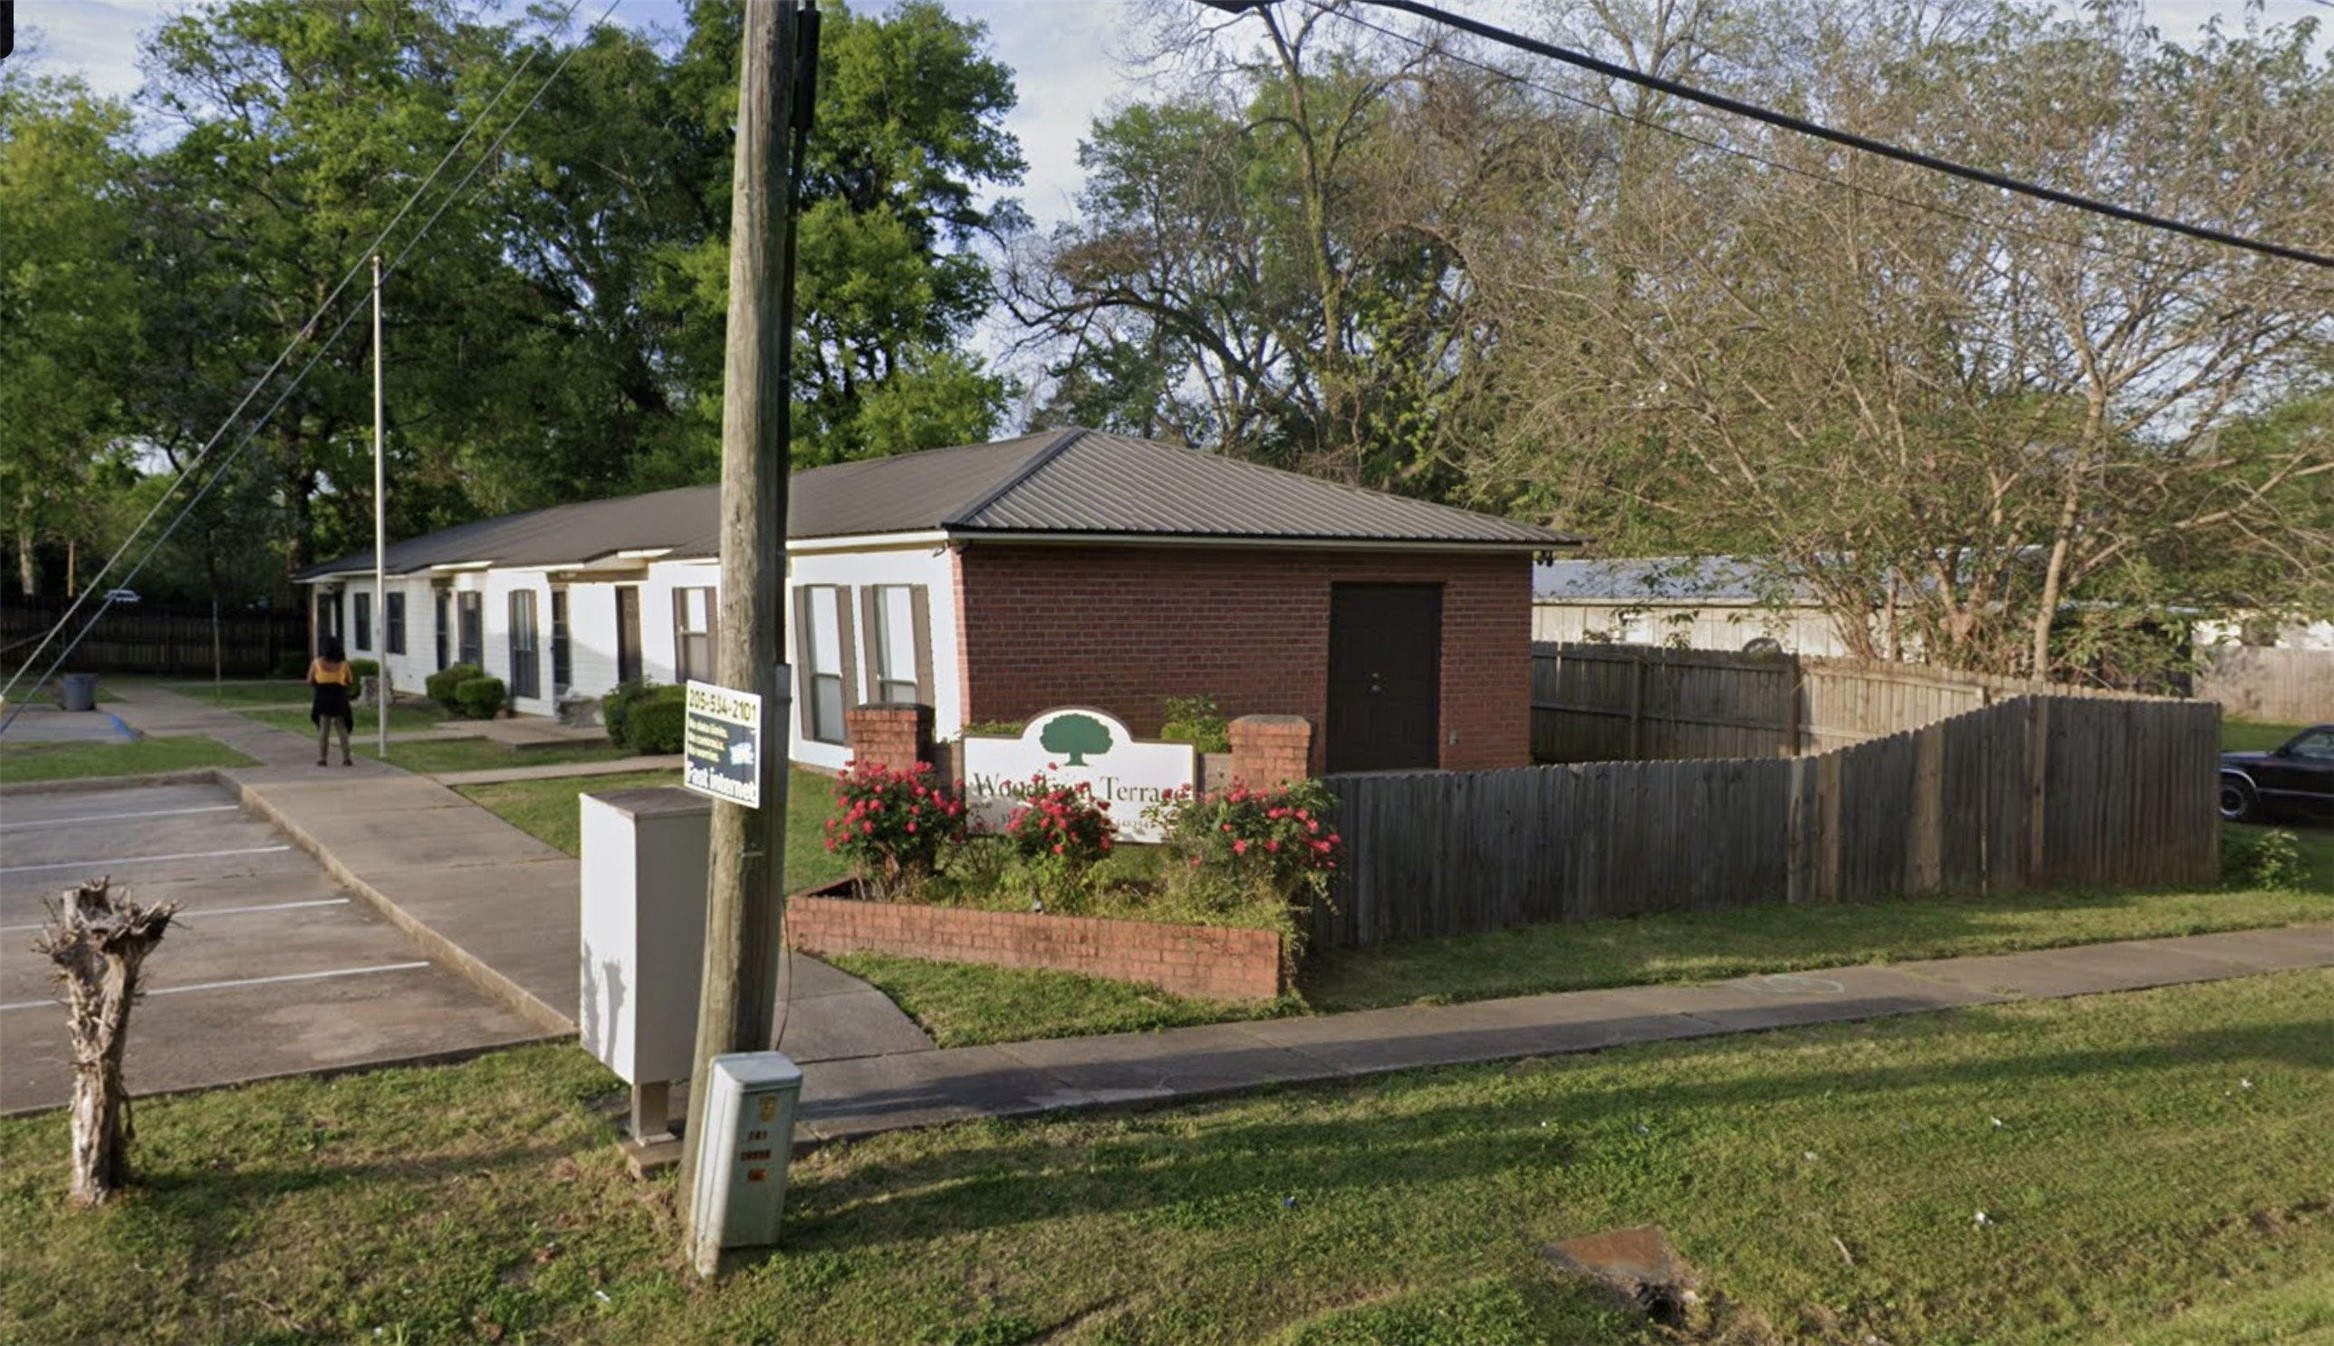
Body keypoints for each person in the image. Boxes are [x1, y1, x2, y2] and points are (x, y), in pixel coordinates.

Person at [309, 637, 356, 767]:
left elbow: (309, 680)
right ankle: (346, 758)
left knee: (324, 727)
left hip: (322, 696)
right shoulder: (343, 664)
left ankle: (322, 759)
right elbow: (350, 681)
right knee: (341, 727)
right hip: (339, 696)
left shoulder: (316, 663)